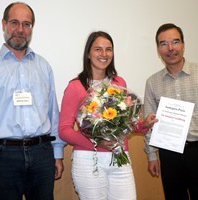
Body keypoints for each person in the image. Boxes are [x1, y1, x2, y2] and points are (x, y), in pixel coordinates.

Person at [59, 31, 157, 200]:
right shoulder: (75, 87)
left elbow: (124, 125)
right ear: (88, 54)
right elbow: (64, 130)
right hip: (89, 160)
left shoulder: (120, 84)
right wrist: (97, 143)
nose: (104, 54)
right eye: (98, 49)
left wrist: (143, 126)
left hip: (119, 155)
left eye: (108, 49)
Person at [0, 2, 66, 200]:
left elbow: (53, 112)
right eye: (14, 23)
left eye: (26, 24)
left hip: (42, 153)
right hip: (3, 156)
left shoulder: (43, 66)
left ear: (32, 29)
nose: (20, 30)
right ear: (3, 24)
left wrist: (58, 153)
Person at [144, 23, 198, 200]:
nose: (170, 48)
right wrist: (152, 155)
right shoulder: (152, 82)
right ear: (158, 49)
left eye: (175, 42)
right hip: (169, 154)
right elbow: (148, 122)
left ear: (183, 44)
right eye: (163, 43)